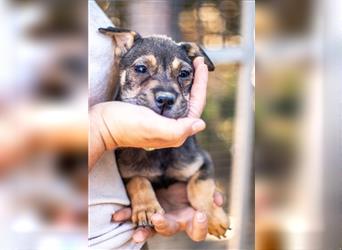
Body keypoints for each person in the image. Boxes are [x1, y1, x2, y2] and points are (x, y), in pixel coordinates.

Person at [88, 1, 224, 249]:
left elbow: (201, 166)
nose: (165, 93)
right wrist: (103, 130)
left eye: (182, 74)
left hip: (128, 241)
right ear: (122, 47)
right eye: (142, 69)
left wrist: (200, 203)